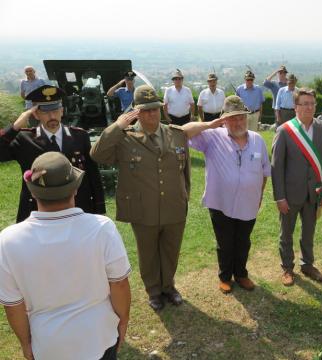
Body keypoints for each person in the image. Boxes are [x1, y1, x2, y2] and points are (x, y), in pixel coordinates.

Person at [90, 85, 215, 311]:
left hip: (174, 205)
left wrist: (184, 194)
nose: (152, 114)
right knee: (148, 253)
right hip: (143, 207)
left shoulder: (175, 134)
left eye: (155, 109)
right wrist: (117, 126)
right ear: (136, 112)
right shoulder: (125, 138)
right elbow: (97, 155)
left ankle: (169, 286)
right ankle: (154, 291)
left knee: (170, 249)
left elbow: (184, 170)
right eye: (146, 110)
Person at [0, 152, 131, 360]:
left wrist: (25, 344)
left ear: (32, 193)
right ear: (75, 189)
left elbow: (13, 306)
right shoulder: (101, 227)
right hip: (99, 335)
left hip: (49, 344)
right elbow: (120, 284)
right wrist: (123, 320)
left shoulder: (8, 240)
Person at [189, 96, 271, 294]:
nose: (238, 122)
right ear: (223, 120)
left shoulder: (257, 140)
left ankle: (241, 274)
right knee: (225, 242)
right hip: (220, 202)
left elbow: (264, 171)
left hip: (249, 202)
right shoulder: (212, 136)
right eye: (232, 118)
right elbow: (182, 133)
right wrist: (209, 124)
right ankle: (225, 277)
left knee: (243, 241)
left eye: (241, 117)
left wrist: (259, 195)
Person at [0, 85, 105, 223]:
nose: (52, 116)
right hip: (38, 211)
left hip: (77, 208)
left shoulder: (80, 136)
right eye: (45, 112)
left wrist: (99, 209)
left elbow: (93, 173)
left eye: (55, 110)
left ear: (62, 111)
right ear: (36, 114)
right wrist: (14, 127)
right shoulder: (24, 139)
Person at [271, 88, 322, 286]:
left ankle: (307, 264)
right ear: (296, 107)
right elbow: (276, 167)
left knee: (309, 231)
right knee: (286, 233)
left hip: (314, 193)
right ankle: (287, 268)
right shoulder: (284, 130)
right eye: (304, 103)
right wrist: (279, 197)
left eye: (312, 103)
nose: (309, 107)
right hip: (290, 194)